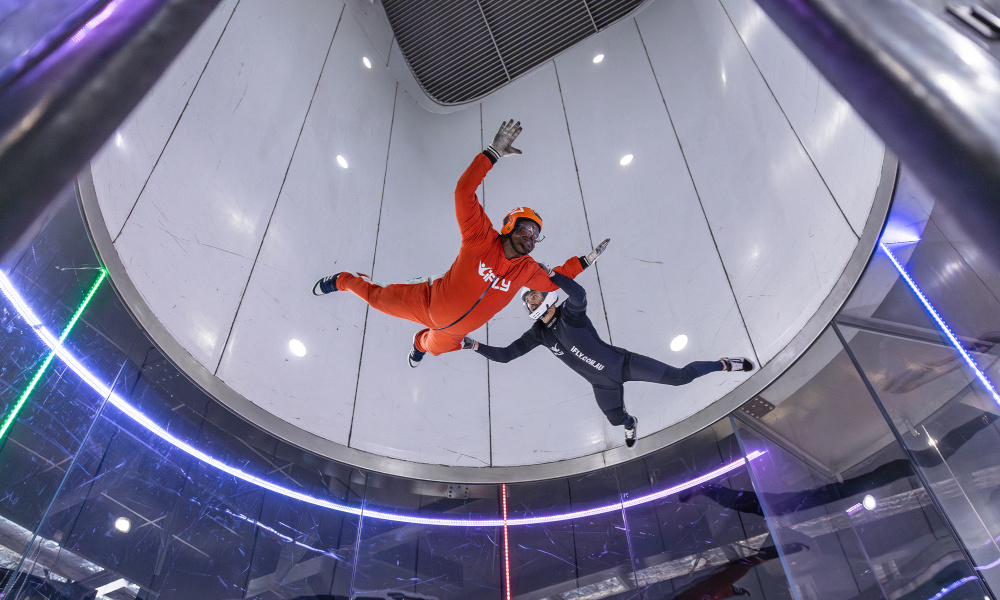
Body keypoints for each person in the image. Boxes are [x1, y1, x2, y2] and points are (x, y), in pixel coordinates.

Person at [312, 119, 605, 368]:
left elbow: (556, 281)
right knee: (376, 299)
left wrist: (584, 261)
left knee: (432, 347)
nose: (531, 237)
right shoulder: (480, 237)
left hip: (452, 333)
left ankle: (419, 343)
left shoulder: (527, 271)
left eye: (536, 234)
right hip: (427, 302)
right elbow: (463, 192)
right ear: (509, 226)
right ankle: (344, 280)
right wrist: (492, 154)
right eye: (526, 228)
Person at [462, 262, 754, 448]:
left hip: (625, 365)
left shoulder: (569, 314)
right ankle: (631, 424)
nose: (530, 301)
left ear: (546, 295)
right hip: (602, 385)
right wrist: (472, 345)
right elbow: (504, 355)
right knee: (616, 421)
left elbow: (579, 296)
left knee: (679, 378)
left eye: (533, 295)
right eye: (526, 300)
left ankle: (723, 364)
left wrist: (553, 274)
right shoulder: (538, 333)